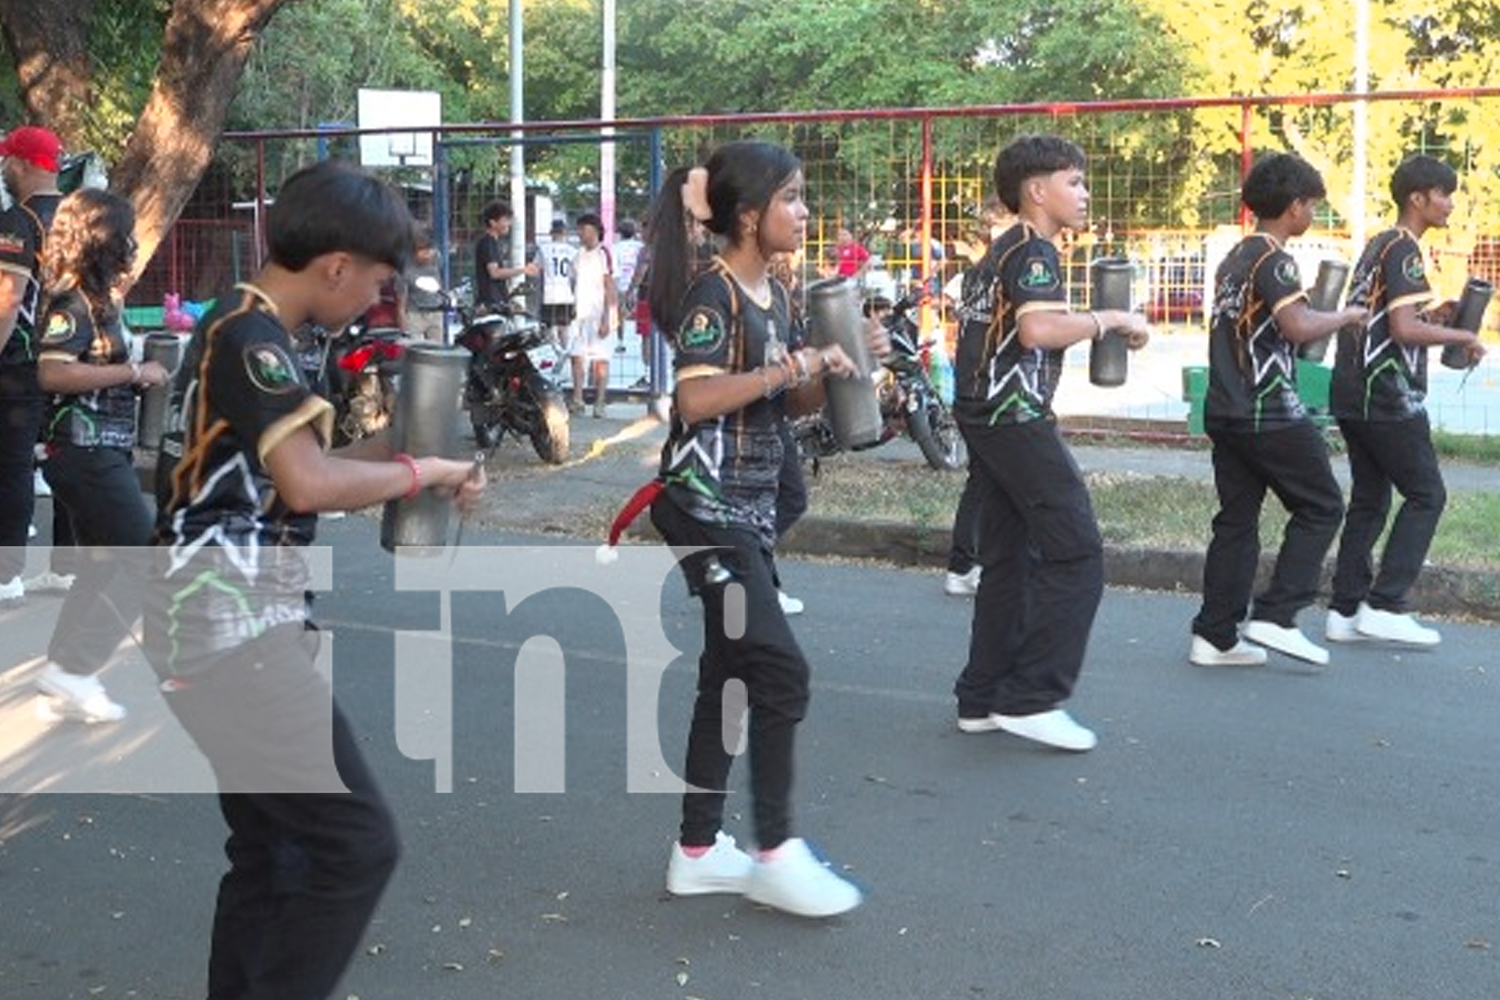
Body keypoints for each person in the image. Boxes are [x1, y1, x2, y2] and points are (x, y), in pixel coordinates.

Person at [144, 160, 487, 1000]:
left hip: (219, 621)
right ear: (335, 266)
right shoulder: (249, 335)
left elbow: (304, 468)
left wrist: (423, 456)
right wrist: (417, 469)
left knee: (274, 850)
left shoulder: (250, 328)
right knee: (353, 844)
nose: (374, 300)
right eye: (375, 283)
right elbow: (307, 485)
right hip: (229, 625)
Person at [646, 143, 867, 918]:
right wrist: (786, 368)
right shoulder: (715, 294)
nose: (804, 213)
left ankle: (698, 851)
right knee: (779, 672)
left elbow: (785, 406)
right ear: (748, 215)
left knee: (733, 678)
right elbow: (696, 401)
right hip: (705, 513)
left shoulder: (775, 292)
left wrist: (821, 374)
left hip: (746, 512)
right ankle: (774, 852)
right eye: (792, 199)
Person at [949, 134, 1149, 752]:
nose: (1085, 195)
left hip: (983, 412)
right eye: (1075, 182)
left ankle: (982, 697)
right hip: (1012, 415)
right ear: (1037, 191)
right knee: (1077, 552)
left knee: (1009, 557)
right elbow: (1036, 331)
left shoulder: (998, 250)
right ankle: (1033, 695)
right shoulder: (1035, 251)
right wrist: (1109, 321)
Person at [1187, 153, 1365, 668]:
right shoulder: (1275, 259)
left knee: (1237, 520)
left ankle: (1215, 635)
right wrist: (1347, 314)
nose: (1312, 215)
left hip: (1225, 407)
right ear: (1293, 207)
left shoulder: (1235, 258)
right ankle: (1277, 614)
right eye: (1311, 205)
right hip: (1268, 409)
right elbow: (1298, 327)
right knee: (1322, 505)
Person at [1326, 154, 1487, 646]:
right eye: (1444, 194)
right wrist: (1460, 337)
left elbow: (1390, 319)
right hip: (1386, 393)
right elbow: (1401, 329)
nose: (1451, 204)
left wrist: (1438, 315)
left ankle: (1345, 610)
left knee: (1371, 500)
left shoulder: (1380, 244)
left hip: (1352, 389)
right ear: (1418, 199)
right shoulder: (1406, 249)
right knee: (1427, 494)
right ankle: (1386, 603)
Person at [29, 189, 170, 721]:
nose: (131, 245)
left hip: (99, 452)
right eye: (124, 235)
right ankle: (74, 670)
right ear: (101, 240)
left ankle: (61, 675)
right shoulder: (73, 303)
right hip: (82, 453)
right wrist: (133, 372)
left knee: (102, 563)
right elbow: (53, 371)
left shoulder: (100, 298)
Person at [0, 125, 68, 605]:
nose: (4, 167)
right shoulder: (86, 217)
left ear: (23, 164)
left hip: (23, 360)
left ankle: (7, 574)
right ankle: (66, 566)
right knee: (67, 458)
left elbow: (9, 298)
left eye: (7, 159)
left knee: (12, 464)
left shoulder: (17, 222)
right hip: (77, 357)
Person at [568, 212, 617, 417]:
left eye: (584, 229)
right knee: (577, 356)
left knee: (600, 359)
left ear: (595, 230)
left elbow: (610, 286)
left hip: (599, 314)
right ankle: (577, 399)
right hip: (581, 315)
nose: (580, 233)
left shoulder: (604, 253)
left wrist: (608, 317)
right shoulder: (578, 255)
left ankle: (600, 402)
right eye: (579, 229)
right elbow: (573, 281)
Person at [473, 200, 536, 312]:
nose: (509, 224)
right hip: (490, 305)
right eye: (505, 220)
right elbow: (495, 273)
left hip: (497, 303)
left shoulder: (494, 243)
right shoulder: (488, 243)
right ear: (493, 222)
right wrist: (523, 270)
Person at [534, 218, 577, 350]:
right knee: (564, 327)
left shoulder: (543, 249)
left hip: (549, 292)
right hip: (566, 293)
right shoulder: (572, 251)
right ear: (565, 233)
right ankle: (563, 353)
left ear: (551, 233)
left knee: (548, 327)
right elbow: (574, 276)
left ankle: (553, 353)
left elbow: (537, 271)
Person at [612, 218, 645, 352]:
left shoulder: (615, 247)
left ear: (620, 232)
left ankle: (620, 341)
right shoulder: (640, 247)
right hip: (639, 283)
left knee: (620, 315)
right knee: (641, 315)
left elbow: (615, 269)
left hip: (622, 284)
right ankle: (643, 342)